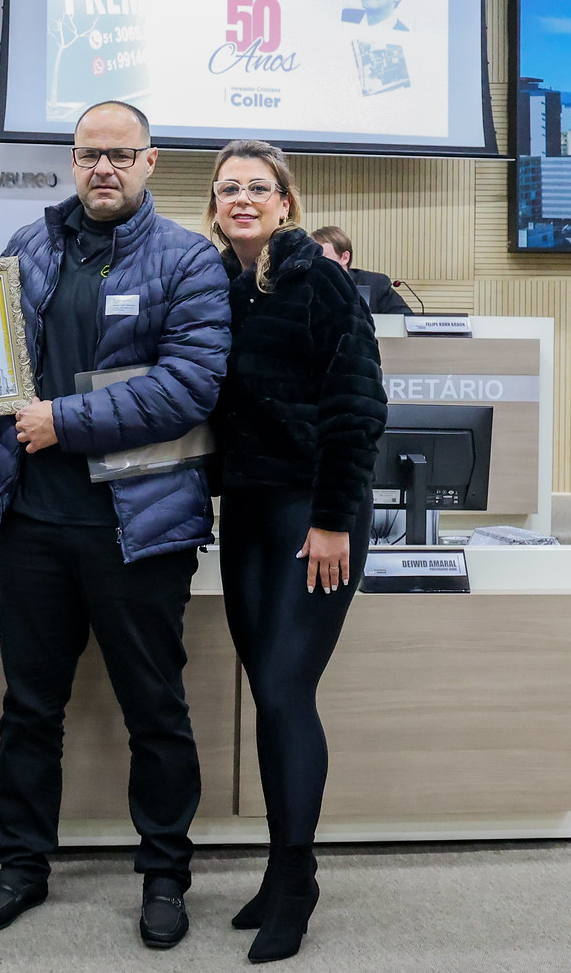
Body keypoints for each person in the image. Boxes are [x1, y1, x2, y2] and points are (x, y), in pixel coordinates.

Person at [0, 100, 231, 949]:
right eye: (88, 155)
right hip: (31, 521)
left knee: (153, 706)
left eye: (119, 154)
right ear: (71, 162)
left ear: (150, 163)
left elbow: (190, 387)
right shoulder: (27, 247)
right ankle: (22, 866)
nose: (101, 168)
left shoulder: (188, 260)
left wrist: (63, 420)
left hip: (138, 526)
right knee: (29, 707)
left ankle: (163, 874)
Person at [207, 141, 386, 963]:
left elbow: (356, 407)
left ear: (286, 202)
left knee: (283, 691)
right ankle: (280, 876)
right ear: (214, 206)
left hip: (313, 516)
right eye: (228, 188)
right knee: (266, 688)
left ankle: (296, 875)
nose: (242, 198)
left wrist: (332, 520)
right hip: (247, 511)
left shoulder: (318, 279)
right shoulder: (221, 287)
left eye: (257, 187)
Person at [311, 225, 411, 315]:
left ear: (345, 257)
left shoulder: (375, 285)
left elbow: (406, 321)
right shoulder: (306, 286)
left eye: (322, 257)